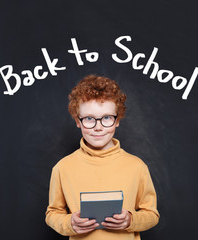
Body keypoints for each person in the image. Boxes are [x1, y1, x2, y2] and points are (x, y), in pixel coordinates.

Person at [45, 75, 160, 240]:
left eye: (107, 118)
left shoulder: (137, 166)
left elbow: (152, 214)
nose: (98, 127)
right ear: (78, 121)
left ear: (117, 119)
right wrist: (70, 223)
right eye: (89, 119)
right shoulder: (62, 168)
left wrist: (130, 220)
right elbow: (53, 213)